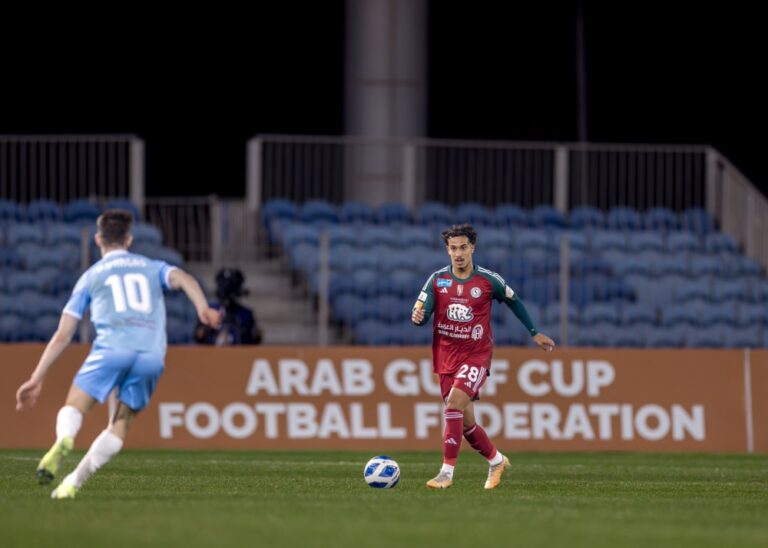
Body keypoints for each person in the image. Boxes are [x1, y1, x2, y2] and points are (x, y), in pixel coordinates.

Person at [15, 209, 222, 499]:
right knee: (121, 424)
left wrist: (37, 377)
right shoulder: (151, 266)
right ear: (129, 240)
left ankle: (64, 439)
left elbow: (63, 334)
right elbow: (184, 278)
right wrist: (202, 308)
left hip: (111, 349)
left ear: (98, 239)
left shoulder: (90, 277)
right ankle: (72, 484)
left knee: (74, 406)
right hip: (150, 355)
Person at [412, 223, 555, 490]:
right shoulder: (437, 280)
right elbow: (421, 310)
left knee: (453, 405)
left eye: (463, 247)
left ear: (473, 248)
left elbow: (514, 300)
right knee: (466, 424)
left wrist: (534, 332)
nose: (458, 253)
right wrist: (418, 316)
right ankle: (496, 460)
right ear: (447, 250)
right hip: (445, 359)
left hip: (476, 355)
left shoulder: (488, 280)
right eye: (453, 248)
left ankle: (446, 473)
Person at [193, 267, 262, 345]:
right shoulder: (211, 311)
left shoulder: (246, 314)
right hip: (212, 354)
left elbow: (255, 339)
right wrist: (207, 328)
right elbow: (198, 336)